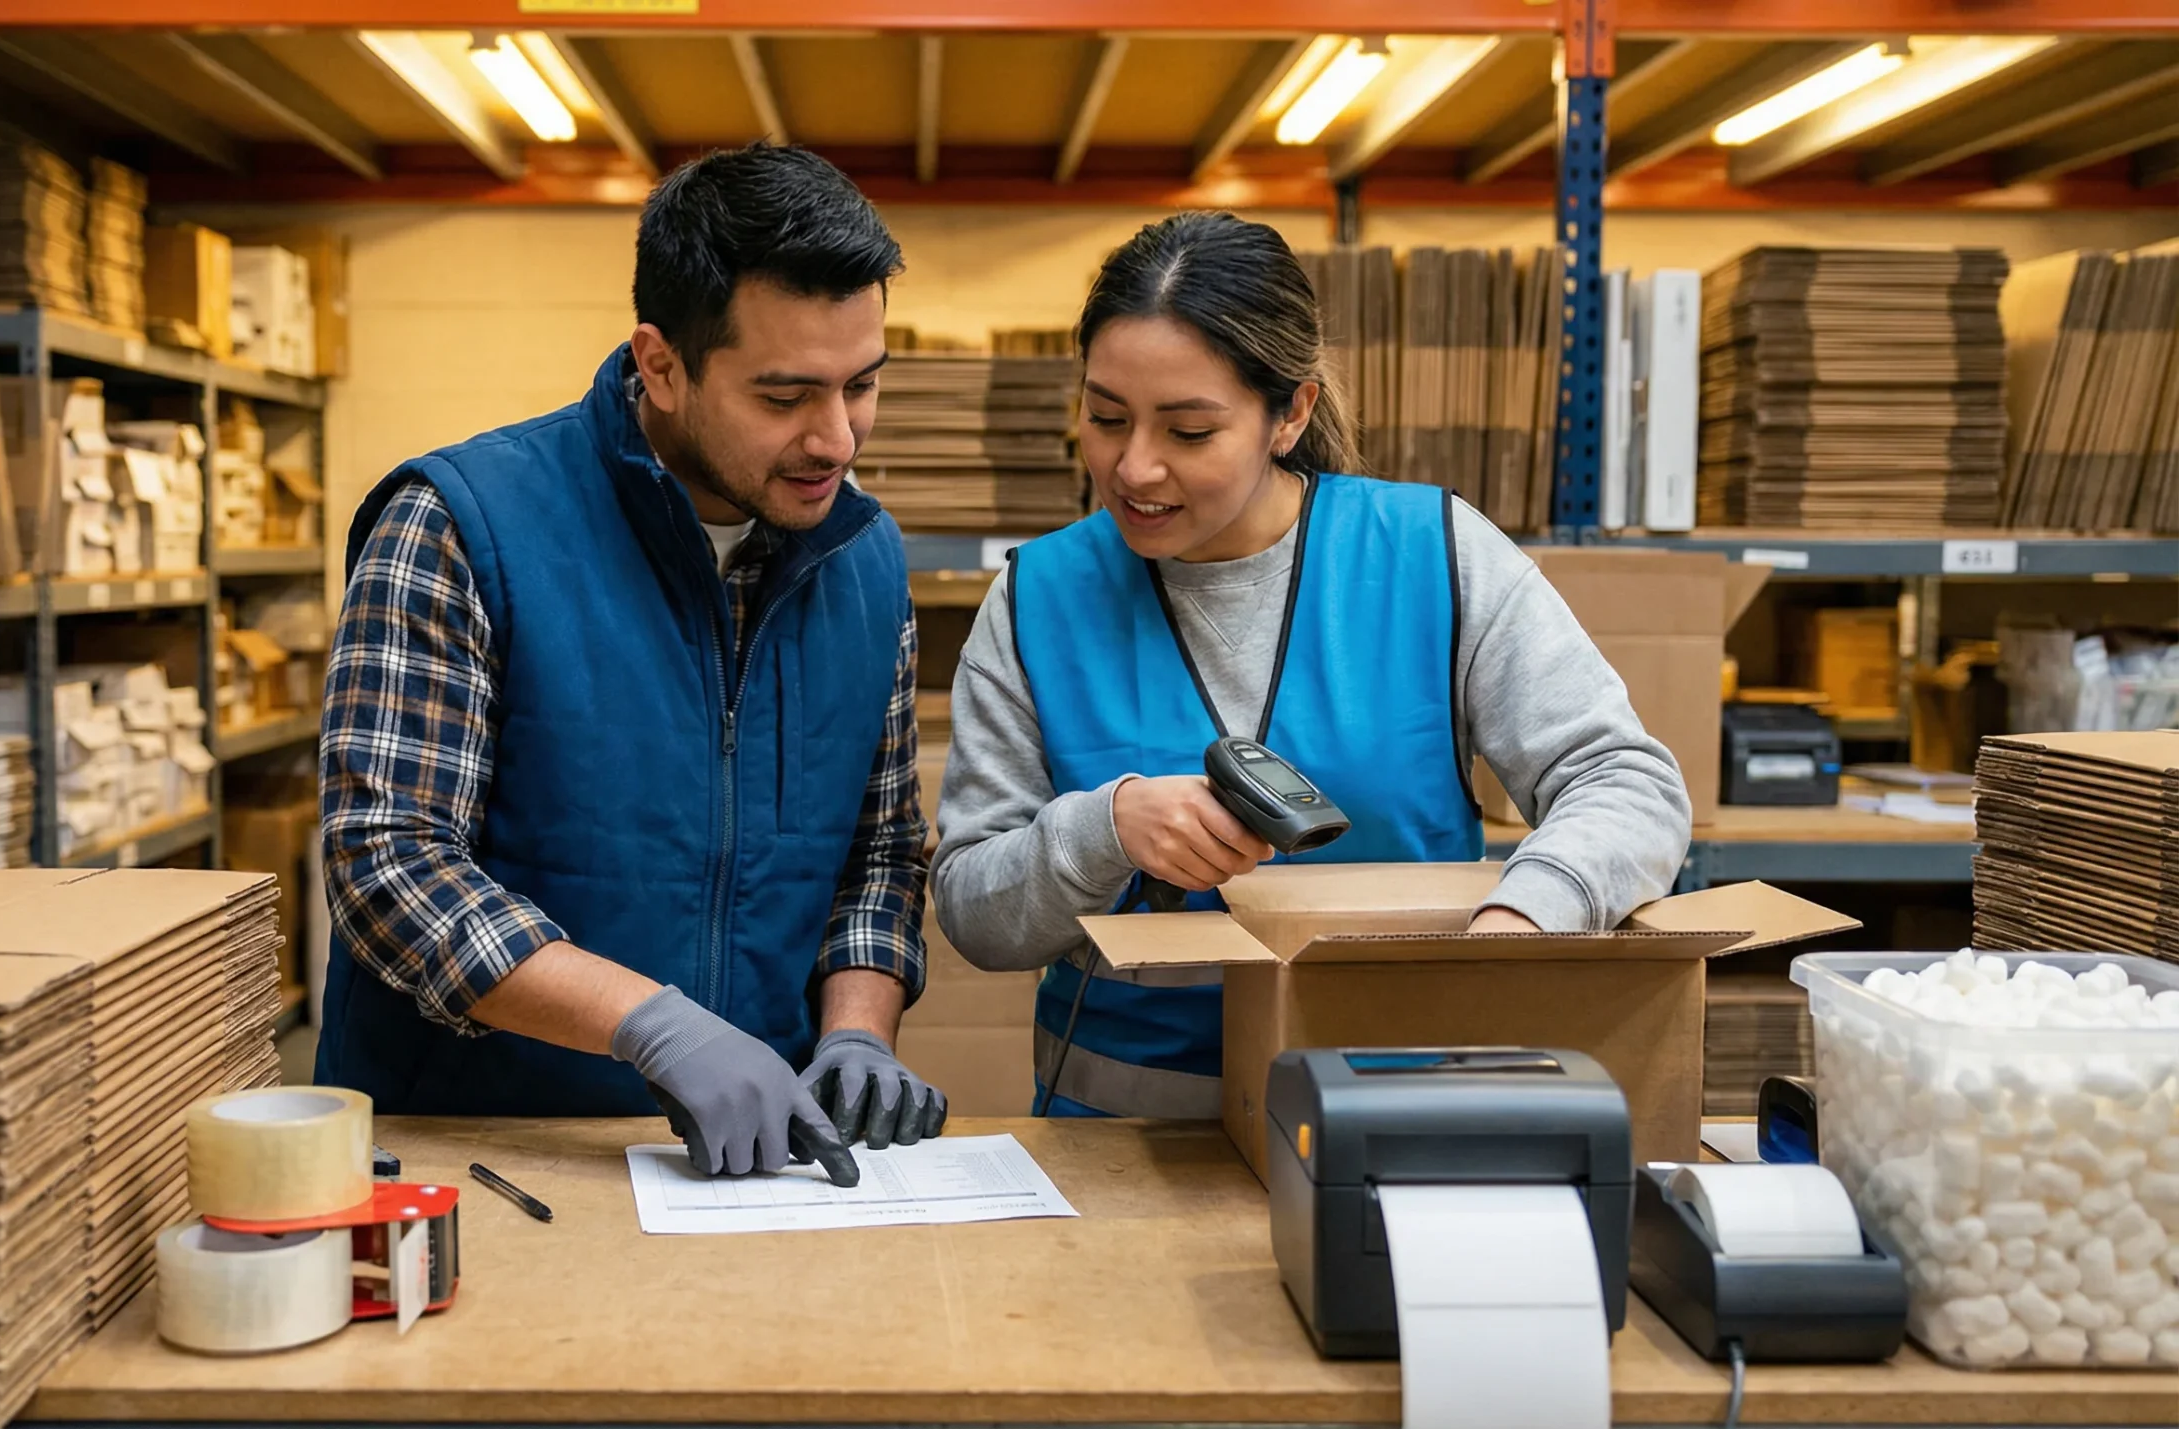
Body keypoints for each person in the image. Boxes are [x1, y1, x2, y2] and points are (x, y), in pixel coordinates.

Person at [931, 212, 1693, 1118]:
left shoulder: (1433, 554)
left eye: (1189, 430)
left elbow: (1627, 780)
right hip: (1124, 1145)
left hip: (1402, 1119)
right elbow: (973, 910)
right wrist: (1103, 831)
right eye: (1105, 417)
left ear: (1289, 413)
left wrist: (1522, 921)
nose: (1134, 466)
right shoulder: (1037, 598)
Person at [317, 145, 948, 1181]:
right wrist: (651, 1024)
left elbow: (878, 855)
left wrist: (858, 1027)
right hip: (491, 1159)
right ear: (658, 363)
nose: (836, 438)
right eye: (784, 395)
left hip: (754, 1166)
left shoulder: (863, 560)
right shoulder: (463, 527)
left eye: (861, 385)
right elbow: (392, 865)